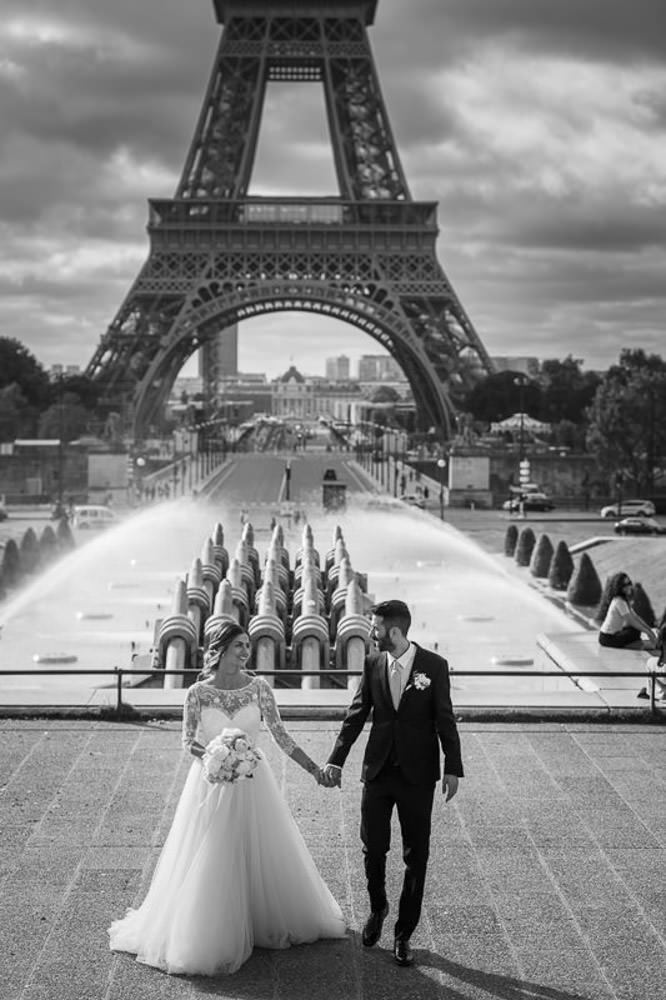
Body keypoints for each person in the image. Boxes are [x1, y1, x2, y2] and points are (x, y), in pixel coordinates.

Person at [108, 622, 346, 976]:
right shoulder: (198, 693)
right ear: (219, 650)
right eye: (238, 645)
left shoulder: (260, 688)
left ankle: (259, 915)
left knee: (260, 847)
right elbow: (187, 740)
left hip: (255, 780)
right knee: (213, 851)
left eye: (248, 645)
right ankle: (213, 926)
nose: (245, 652)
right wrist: (214, 756)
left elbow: (281, 736)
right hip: (211, 782)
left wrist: (314, 770)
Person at [322, 599, 463, 968]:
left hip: (418, 776)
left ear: (395, 632)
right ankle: (377, 907)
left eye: (376, 628)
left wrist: (453, 766)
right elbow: (356, 715)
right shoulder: (371, 664)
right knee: (373, 847)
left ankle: (403, 933)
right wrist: (336, 758)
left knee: (417, 856)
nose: (371, 633)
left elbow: (445, 719)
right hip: (379, 771)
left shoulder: (434, 667)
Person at [598, 573, 659, 650]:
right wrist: (648, 633)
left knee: (634, 630)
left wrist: (649, 630)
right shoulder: (619, 601)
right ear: (619, 587)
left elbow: (635, 617)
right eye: (624, 585)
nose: (628, 587)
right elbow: (631, 621)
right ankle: (640, 646)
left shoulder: (624, 601)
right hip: (607, 638)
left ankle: (637, 644)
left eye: (629, 583)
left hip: (612, 635)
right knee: (634, 631)